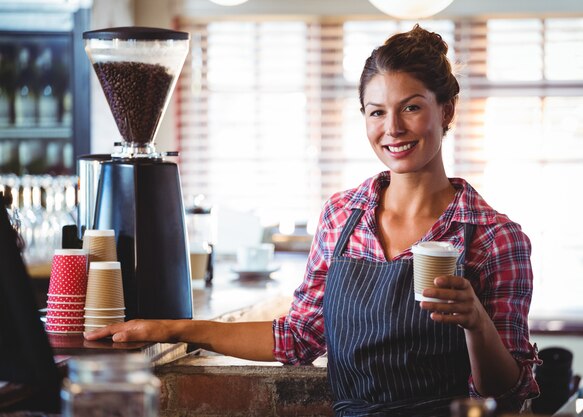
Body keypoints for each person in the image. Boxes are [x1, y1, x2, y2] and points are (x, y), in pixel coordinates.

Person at [85, 23, 540, 416]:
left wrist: (476, 322)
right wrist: (172, 328)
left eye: (412, 107)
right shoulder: (343, 216)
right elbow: (299, 338)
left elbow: (508, 391)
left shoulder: (495, 237)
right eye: (377, 112)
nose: (393, 128)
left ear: (447, 111)